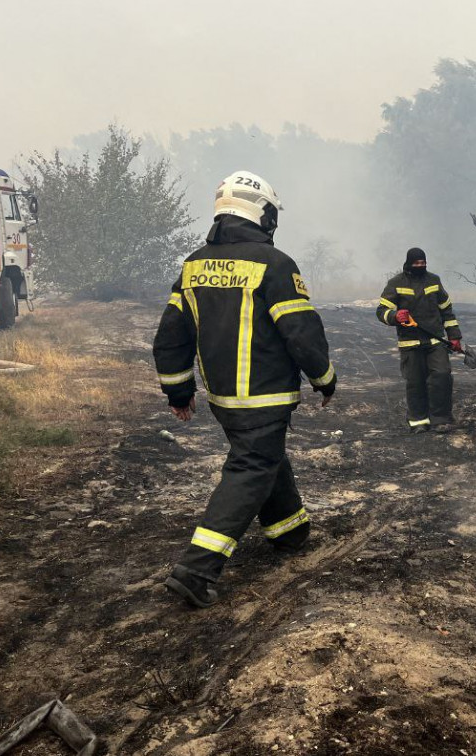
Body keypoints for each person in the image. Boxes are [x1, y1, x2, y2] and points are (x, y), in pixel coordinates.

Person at [153, 170, 336, 609]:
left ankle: (289, 530)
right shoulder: (274, 264)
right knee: (252, 466)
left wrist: (179, 391)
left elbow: (171, 335)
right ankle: (196, 569)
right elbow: (301, 332)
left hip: (223, 399)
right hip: (265, 394)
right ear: (262, 213)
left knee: (264, 454)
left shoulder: (194, 264)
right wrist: (324, 378)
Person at [377, 248, 463, 433]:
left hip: (435, 342)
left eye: (423, 263)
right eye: (416, 264)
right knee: (415, 382)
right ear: (408, 264)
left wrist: (454, 336)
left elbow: (446, 310)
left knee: (442, 375)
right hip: (410, 343)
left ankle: (440, 419)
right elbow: (381, 311)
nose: (420, 266)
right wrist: (394, 316)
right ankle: (418, 422)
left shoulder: (434, 280)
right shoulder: (396, 283)